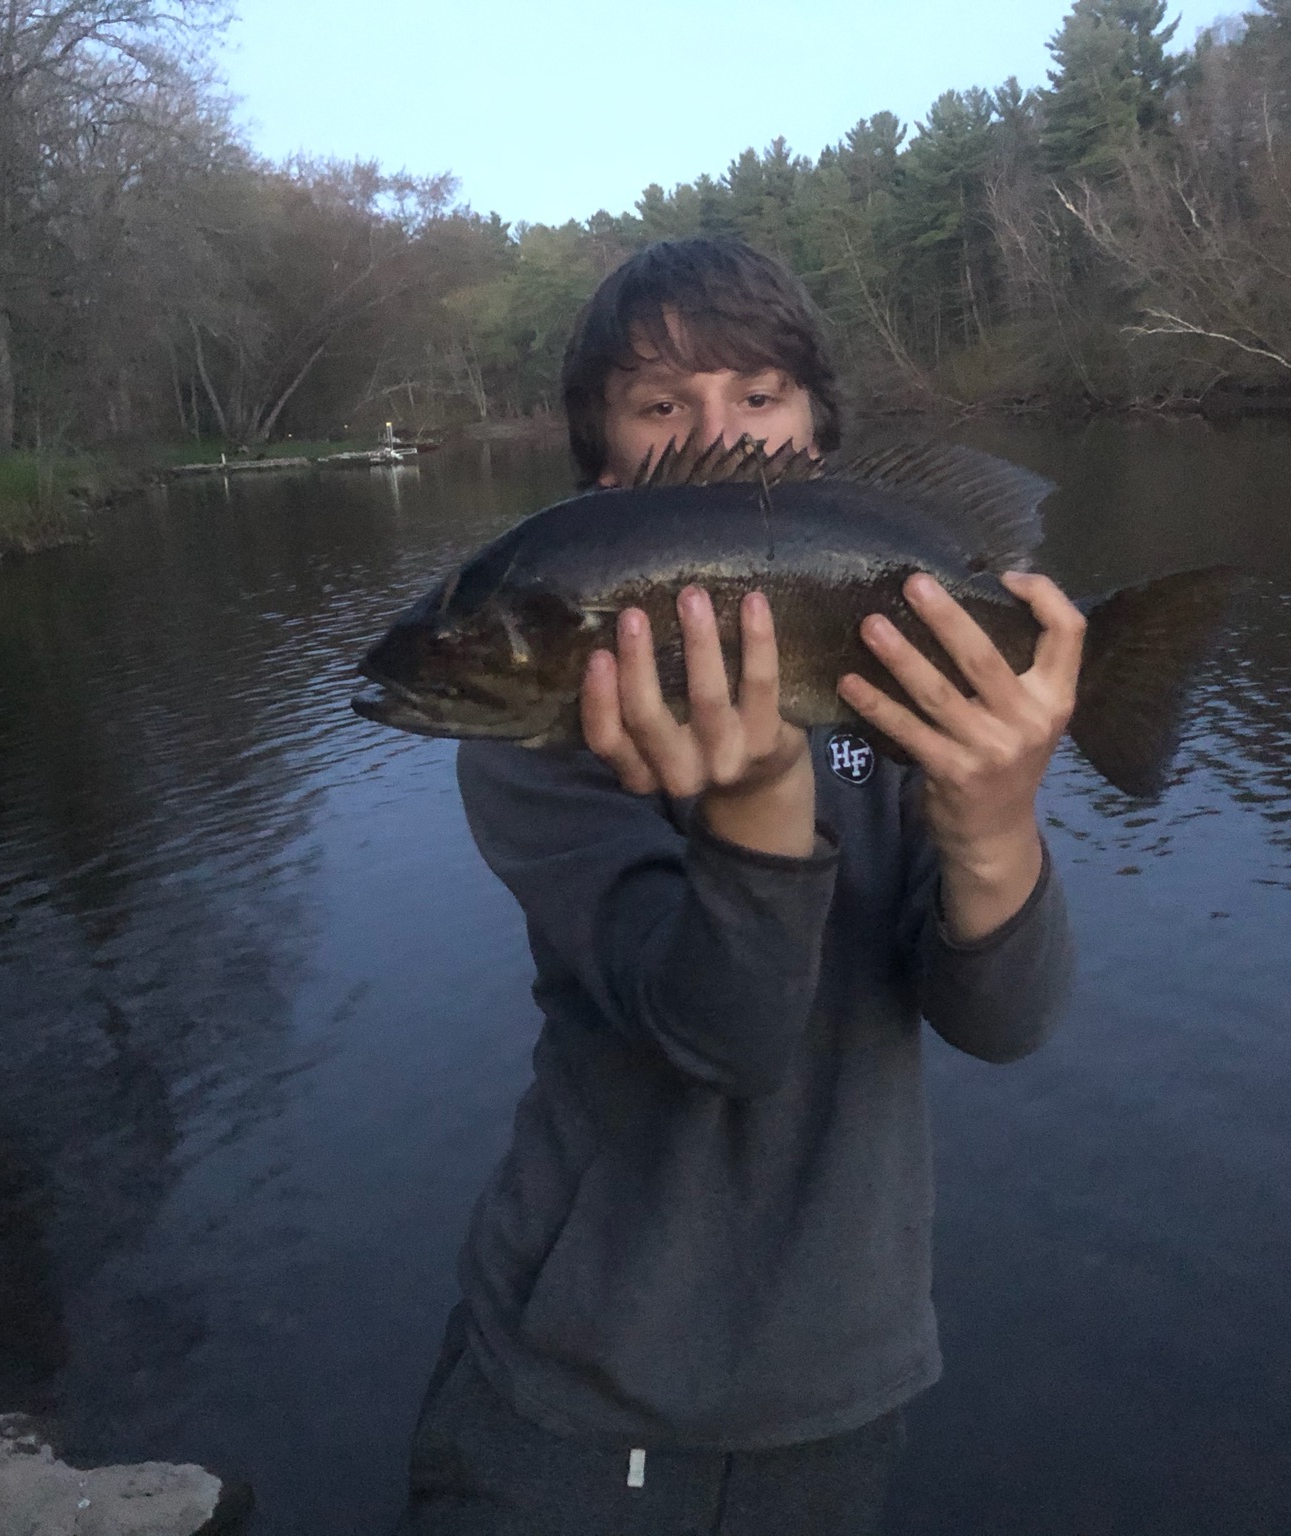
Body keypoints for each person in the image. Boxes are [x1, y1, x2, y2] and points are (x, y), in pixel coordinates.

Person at [399, 238, 1081, 1535]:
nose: (722, 432)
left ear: (817, 439)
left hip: (841, 1385)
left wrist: (995, 822)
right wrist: (757, 811)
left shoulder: (915, 676)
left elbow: (1002, 1023)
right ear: (604, 469)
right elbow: (728, 1037)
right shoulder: (545, 731)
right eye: (663, 405)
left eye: (759, 397)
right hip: (573, 1395)